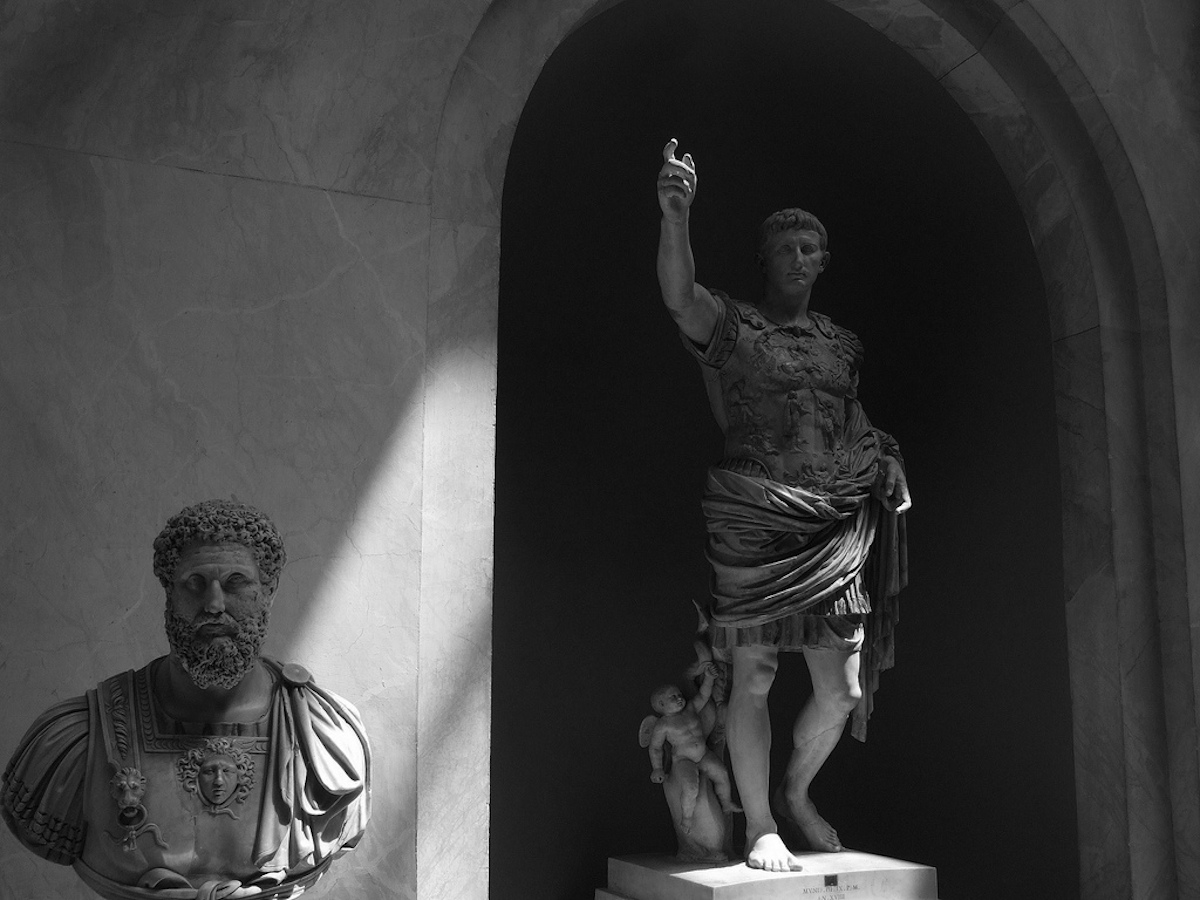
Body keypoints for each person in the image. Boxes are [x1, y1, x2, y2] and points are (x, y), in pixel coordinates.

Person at [656, 139, 910, 873]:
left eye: (810, 249)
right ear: (763, 260)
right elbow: (680, 298)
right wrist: (676, 215)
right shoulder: (737, 327)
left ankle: (795, 792)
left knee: (843, 687)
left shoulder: (841, 344)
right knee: (755, 674)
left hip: (831, 523)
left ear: (823, 261)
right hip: (756, 516)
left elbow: (852, 420)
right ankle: (761, 825)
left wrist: (886, 457)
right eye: (786, 249)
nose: (799, 258)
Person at [1, 499, 371, 899]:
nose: (214, 605)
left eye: (236, 583)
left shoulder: (324, 739)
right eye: (194, 583)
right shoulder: (75, 744)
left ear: (269, 591)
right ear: (169, 592)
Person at [640, 664, 741, 831]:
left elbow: (703, 694)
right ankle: (687, 817)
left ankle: (726, 803)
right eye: (673, 697)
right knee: (690, 787)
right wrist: (657, 768)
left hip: (703, 754)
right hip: (683, 760)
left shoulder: (690, 709)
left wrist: (709, 678)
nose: (679, 698)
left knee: (722, 774)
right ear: (661, 704)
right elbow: (655, 748)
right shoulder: (663, 725)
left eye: (679, 695)